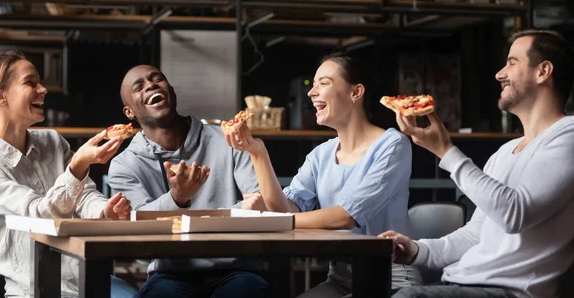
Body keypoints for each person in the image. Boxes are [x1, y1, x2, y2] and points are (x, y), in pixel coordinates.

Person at [381, 29, 574, 298]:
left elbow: (515, 214)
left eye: (512, 62)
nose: (499, 73)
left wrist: (445, 151)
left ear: (543, 71)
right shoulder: (505, 152)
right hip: (460, 284)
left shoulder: (569, 135)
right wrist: (416, 250)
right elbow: (475, 235)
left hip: (509, 292)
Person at [225, 53, 422, 297]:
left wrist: (273, 222)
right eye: (314, 84)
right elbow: (284, 210)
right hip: (340, 280)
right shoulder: (321, 154)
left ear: (355, 92)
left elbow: (346, 216)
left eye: (324, 83)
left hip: (391, 279)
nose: (311, 92)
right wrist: (257, 152)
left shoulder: (393, 144)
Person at [0, 51, 139, 298]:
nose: (43, 89)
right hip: (31, 289)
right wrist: (78, 166)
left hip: (86, 276)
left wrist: (105, 211)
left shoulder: (51, 140)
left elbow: (83, 196)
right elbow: (40, 217)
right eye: (30, 83)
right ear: (0, 96)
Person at [108, 65, 268, 298]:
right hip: (170, 273)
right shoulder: (124, 165)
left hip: (236, 269)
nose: (151, 85)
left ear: (172, 92)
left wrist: (175, 217)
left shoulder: (229, 140)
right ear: (129, 112)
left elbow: (258, 205)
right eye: (139, 87)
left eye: (156, 79)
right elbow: (139, 233)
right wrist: (176, 198)